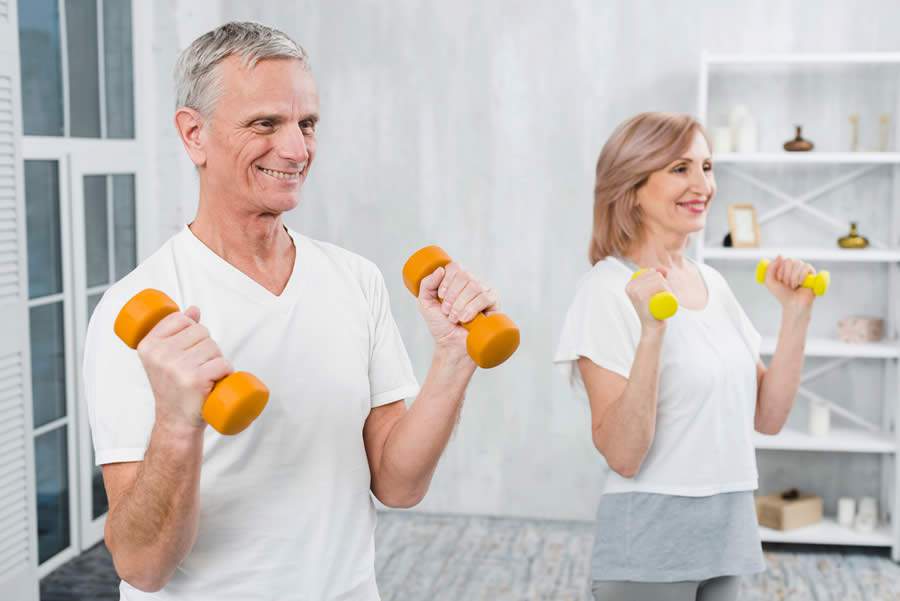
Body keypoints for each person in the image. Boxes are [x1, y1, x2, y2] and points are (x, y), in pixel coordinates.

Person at [83, 22, 501, 601]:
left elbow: (399, 484)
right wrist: (177, 423)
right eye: (265, 124)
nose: (298, 150)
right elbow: (142, 566)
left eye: (307, 124)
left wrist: (454, 359)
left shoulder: (355, 279)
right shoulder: (136, 312)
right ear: (194, 134)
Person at [554, 112, 815, 600]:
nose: (703, 185)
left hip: (728, 525)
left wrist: (796, 314)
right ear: (632, 187)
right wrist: (653, 331)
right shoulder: (606, 290)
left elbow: (768, 416)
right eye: (680, 168)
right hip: (652, 535)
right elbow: (623, 455)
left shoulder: (711, 282)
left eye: (707, 167)